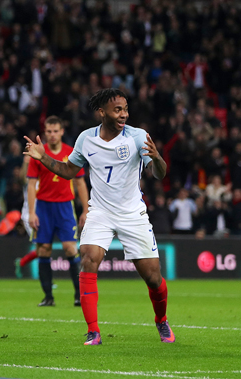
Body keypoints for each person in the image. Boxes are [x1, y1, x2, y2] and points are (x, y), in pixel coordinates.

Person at [24, 88, 174, 346]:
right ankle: (93, 331)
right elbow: (69, 171)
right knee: (88, 258)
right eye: (118, 110)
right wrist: (43, 157)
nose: (124, 114)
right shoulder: (86, 139)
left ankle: (161, 320)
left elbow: (159, 174)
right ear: (102, 112)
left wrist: (158, 157)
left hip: (132, 214)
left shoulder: (138, 137)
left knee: (153, 277)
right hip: (100, 212)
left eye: (126, 109)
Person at [25, 116, 89, 307]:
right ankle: (48, 297)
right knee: (43, 250)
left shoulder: (71, 153)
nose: (52, 135)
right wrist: (31, 212)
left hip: (65, 206)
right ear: (45, 132)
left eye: (55, 131)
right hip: (43, 207)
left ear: (62, 132)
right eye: (49, 131)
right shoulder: (38, 153)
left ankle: (79, 295)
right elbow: (30, 184)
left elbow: (80, 183)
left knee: (70, 248)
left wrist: (85, 210)